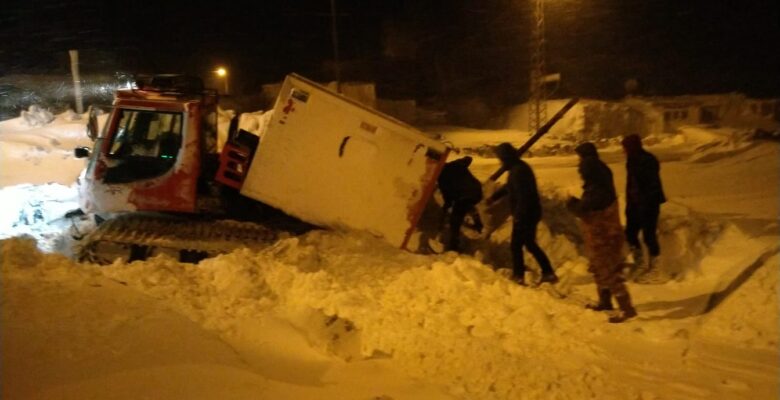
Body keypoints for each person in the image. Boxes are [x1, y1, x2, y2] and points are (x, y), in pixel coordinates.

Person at [567, 142, 637, 323]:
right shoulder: (600, 181)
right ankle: (605, 301)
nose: (579, 168)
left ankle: (626, 308)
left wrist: (572, 205)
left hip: (604, 235)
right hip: (600, 235)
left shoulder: (596, 190)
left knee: (609, 270)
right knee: (599, 268)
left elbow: (585, 209)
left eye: (580, 164)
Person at [487, 143, 557, 286]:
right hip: (530, 212)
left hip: (526, 214)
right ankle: (548, 272)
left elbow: (523, 196)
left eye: (501, 158)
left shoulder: (518, 171)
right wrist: (495, 197)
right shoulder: (518, 168)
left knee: (516, 245)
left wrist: (519, 216)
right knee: (529, 244)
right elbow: (509, 187)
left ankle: (519, 276)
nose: (500, 162)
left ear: (506, 158)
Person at [621, 134, 666, 279]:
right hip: (634, 205)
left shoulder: (647, 160)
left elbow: (651, 185)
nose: (624, 151)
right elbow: (632, 185)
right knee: (630, 234)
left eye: (625, 148)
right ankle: (639, 262)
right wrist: (630, 203)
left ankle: (655, 269)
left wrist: (646, 203)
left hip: (648, 204)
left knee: (649, 235)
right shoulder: (632, 160)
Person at [437, 156, 484, 251]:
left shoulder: (442, 176)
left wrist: (445, 208)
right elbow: (468, 159)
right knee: (467, 204)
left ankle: (454, 246)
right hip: (477, 190)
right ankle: (477, 220)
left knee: (455, 220)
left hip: (464, 195)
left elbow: (447, 196)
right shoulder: (454, 164)